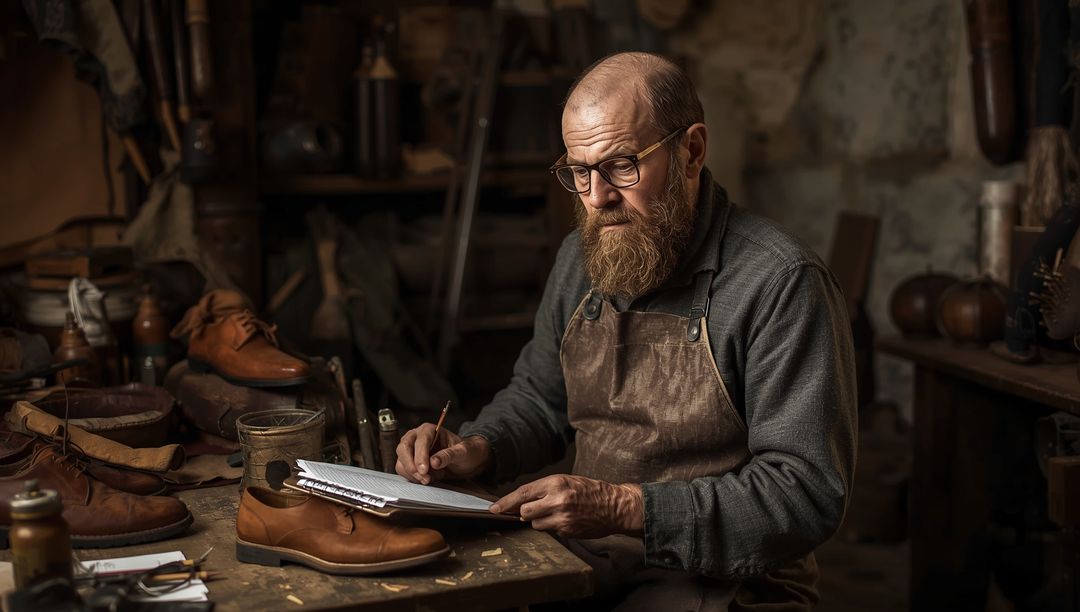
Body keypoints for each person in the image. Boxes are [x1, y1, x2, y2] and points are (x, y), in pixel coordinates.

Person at [396, 51, 857, 611]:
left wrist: (622, 508)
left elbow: (805, 494)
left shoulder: (780, 282)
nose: (597, 198)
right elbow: (541, 398)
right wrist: (479, 446)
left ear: (691, 151)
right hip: (593, 555)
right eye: (579, 172)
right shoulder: (579, 258)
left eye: (620, 165)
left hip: (733, 582)